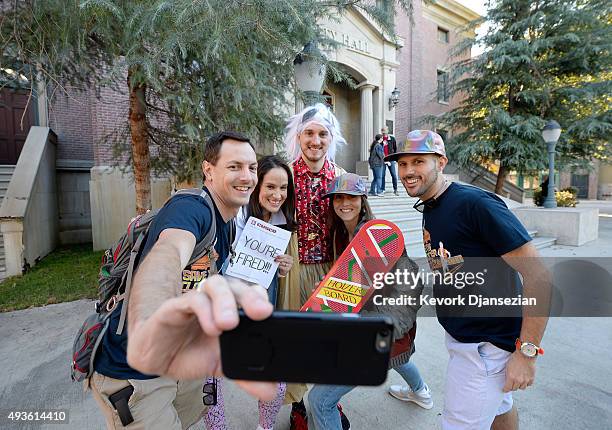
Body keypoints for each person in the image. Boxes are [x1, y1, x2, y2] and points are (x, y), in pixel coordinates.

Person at [90, 131, 276, 429]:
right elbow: (169, 251)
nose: (247, 176)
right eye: (234, 166)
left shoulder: (225, 222)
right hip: (134, 371)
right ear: (208, 170)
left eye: (252, 167)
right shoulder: (191, 209)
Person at [386, 130, 551, 430]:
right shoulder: (432, 206)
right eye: (403, 164)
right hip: (467, 339)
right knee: (501, 410)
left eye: (418, 162)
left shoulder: (475, 204)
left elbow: (538, 276)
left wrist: (527, 353)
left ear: (441, 162)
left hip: (484, 348)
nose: (408, 171)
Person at [307, 173, 429, 430]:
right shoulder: (340, 235)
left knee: (320, 401)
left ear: (363, 200)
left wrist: (388, 326)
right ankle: (421, 391)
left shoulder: (378, 234)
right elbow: (351, 287)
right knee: (400, 358)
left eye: (350, 196)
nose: (343, 203)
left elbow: (408, 284)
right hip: (363, 325)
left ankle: (419, 389)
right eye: (338, 197)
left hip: (374, 328)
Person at [204, 155, 297, 430]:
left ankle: (265, 427)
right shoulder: (234, 216)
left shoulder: (281, 220)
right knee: (213, 382)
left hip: (260, 313)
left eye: (283, 188)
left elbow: (270, 272)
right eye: (270, 187)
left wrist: (282, 267)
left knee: (276, 383)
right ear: (256, 186)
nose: (278, 194)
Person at [283, 103, 347, 430]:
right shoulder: (285, 175)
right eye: (309, 132)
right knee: (294, 341)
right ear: (299, 135)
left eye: (323, 133)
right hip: (293, 271)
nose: (315, 140)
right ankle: (298, 406)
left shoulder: (341, 178)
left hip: (331, 270)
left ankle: (327, 400)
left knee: (330, 341)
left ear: (330, 137)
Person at [380, 126, 399, 196]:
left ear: (388, 130)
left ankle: (395, 189)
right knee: (382, 175)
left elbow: (395, 149)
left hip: (390, 159)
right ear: (381, 131)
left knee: (393, 174)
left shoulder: (392, 139)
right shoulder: (380, 139)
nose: (384, 132)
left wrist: (394, 159)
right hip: (382, 160)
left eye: (385, 130)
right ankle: (382, 189)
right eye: (382, 130)